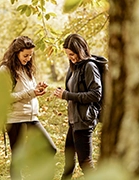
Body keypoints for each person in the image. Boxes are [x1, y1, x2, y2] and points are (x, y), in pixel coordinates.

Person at [0, 35, 57, 180]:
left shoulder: (27, 69)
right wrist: (31, 92)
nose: (28, 58)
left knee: (50, 149)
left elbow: (27, 93)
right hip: (15, 119)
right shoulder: (5, 70)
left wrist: (37, 90)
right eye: (25, 55)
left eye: (30, 55)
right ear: (16, 52)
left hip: (31, 117)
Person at [54, 33, 108, 179]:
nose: (70, 57)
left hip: (84, 121)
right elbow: (74, 90)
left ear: (81, 50)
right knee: (69, 163)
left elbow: (96, 94)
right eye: (68, 54)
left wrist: (67, 95)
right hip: (74, 121)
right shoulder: (74, 67)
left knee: (86, 163)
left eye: (72, 54)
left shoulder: (89, 66)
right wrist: (63, 93)